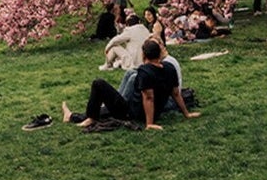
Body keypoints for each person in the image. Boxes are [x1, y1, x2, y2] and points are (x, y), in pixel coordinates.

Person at [65, 38, 200, 131]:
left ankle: (90, 117)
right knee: (131, 74)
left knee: (98, 83)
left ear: (144, 55)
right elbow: (176, 93)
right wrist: (186, 114)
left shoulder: (145, 71)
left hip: (131, 113)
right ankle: (83, 115)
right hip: (147, 110)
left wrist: (149, 124)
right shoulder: (169, 68)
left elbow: (149, 98)